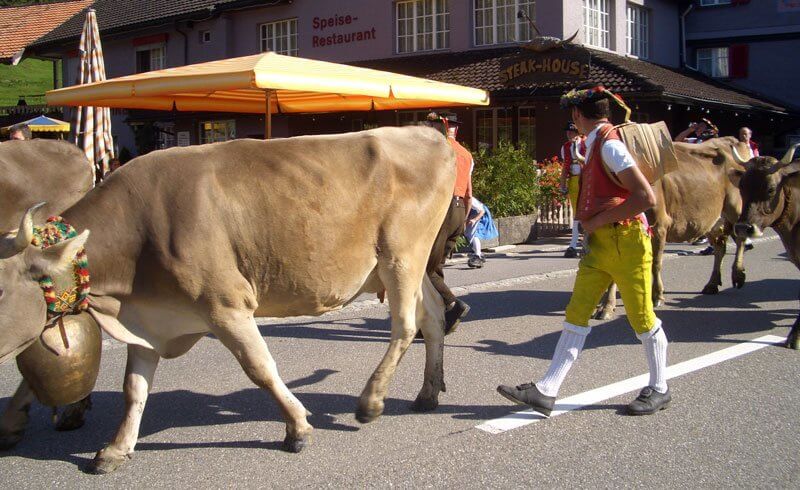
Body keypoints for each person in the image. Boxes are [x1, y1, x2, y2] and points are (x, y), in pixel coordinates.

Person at [497, 83, 671, 417]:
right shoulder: (594, 143)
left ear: (577, 114)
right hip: (603, 243)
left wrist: (597, 220)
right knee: (576, 313)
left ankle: (660, 388)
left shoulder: (610, 146)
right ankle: (546, 391)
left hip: (627, 242)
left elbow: (645, 197)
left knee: (642, 319)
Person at [425, 112, 472, 334]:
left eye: (430, 123)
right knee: (436, 266)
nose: (428, 127)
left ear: (440, 126)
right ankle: (437, 319)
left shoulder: (437, 149)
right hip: (459, 210)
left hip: (442, 209)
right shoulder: (466, 154)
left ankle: (452, 304)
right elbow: (469, 194)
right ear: (456, 129)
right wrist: (463, 219)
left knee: (425, 269)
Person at [559, 121, 586, 258]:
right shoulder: (566, 147)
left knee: (589, 210)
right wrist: (562, 184)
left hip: (588, 180)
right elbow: (565, 167)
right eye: (567, 132)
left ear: (578, 133)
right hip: (574, 180)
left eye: (572, 132)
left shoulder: (587, 143)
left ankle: (583, 243)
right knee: (577, 212)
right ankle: (573, 245)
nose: (569, 134)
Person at [465, 195, 498, 269]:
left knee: (473, 234)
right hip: (473, 213)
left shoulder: (470, 199)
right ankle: (478, 254)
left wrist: (474, 220)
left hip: (480, 214)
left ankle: (478, 256)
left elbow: (482, 211)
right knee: (468, 234)